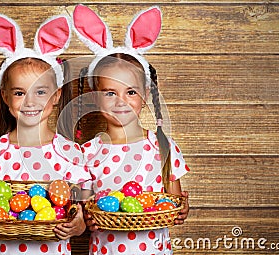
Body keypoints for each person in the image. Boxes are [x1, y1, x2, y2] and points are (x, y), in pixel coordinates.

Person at [0, 12, 90, 255]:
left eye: (40, 92)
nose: (30, 102)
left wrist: (78, 226)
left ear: (56, 96)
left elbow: (83, 210)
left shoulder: (70, 152)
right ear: (5, 96)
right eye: (20, 93)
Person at [73, 5, 190, 254]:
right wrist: (87, 218)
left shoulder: (162, 147)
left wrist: (181, 210)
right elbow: (82, 213)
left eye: (131, 92)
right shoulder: (86, 154)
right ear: (95, 98)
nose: (121, 101)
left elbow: (174, 202)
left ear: (145, 95)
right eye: (110, 93)